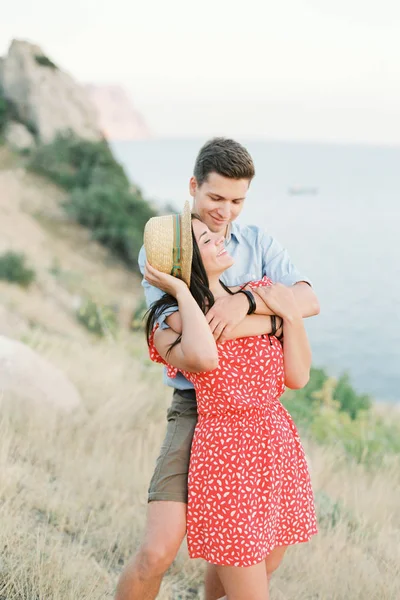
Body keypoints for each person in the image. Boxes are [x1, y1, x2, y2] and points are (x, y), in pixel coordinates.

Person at [115, 138, 320, 600]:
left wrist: (243, 301)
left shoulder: (257, 242)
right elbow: (196, 340)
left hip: (258, 417)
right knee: (158, 551)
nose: (225, 212)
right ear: (193, 187)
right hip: (197, 408)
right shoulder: (165, 249)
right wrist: (271, 319)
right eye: (215, 198)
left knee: (252, 549)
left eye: (237, 201)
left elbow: (308, 300)